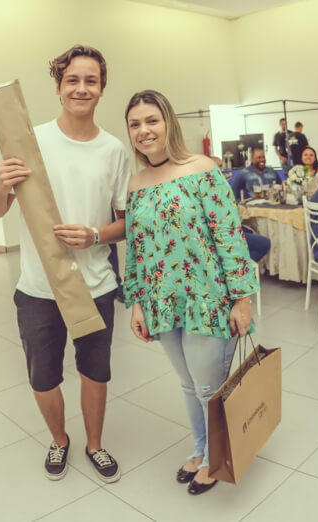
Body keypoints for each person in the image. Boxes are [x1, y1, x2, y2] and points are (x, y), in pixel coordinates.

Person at [0, 45, 129, 483]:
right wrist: (2, 186)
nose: (81, 88)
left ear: (101, 88)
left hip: (96, 284)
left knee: (95, 372)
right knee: (43, 376)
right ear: (58, 87)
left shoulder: (114, 150)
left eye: (91, 81)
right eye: (72, 80)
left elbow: (127, 222)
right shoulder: (31, 142)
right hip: (38, 288)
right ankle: (60, 440)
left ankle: (95, 444)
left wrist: (94, 235)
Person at [124, 89, 258, 496]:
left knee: (207, 388)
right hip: (162, 302)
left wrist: (242, 298)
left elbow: (229, 236)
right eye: (135, 124)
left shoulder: (201, 168)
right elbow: (135, 248)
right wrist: (136, 302)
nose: (144, 130)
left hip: (207, 299)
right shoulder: (136, 183)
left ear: (169, 123)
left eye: (152, 120)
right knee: (187, 385)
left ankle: (217, 457)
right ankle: (200, 449)